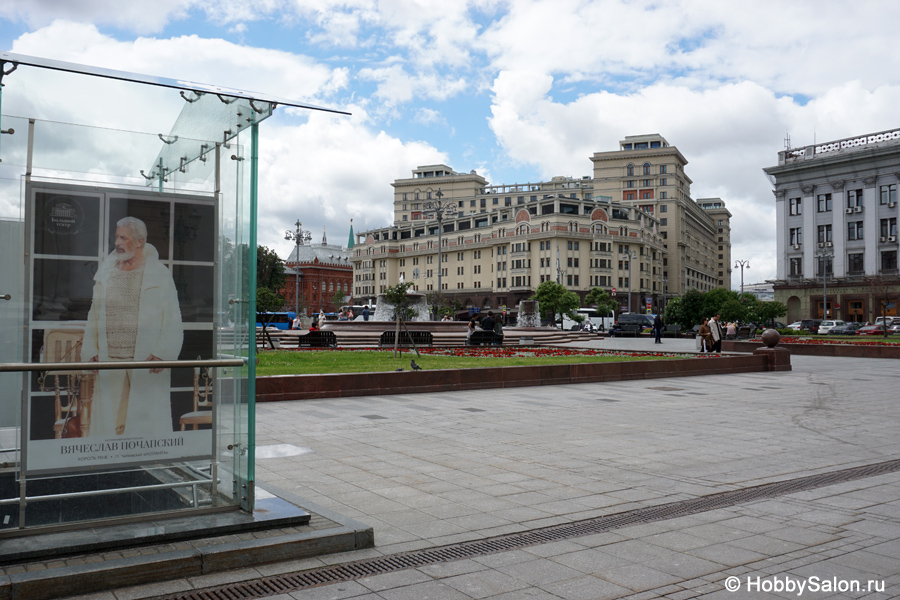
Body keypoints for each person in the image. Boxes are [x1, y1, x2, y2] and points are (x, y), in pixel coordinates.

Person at [82, 217, 183, 438]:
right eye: (116, 237)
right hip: (110, 361)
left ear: (139, 241)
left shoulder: (159, 273)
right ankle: (110, 467)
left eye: (123, 237)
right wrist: (91, 351)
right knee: (110, 427)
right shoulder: (106, 273)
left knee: (145, 426)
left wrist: (162, 353)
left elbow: (173, 318)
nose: (117, 242)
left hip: (145, 361)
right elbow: (94, 315)